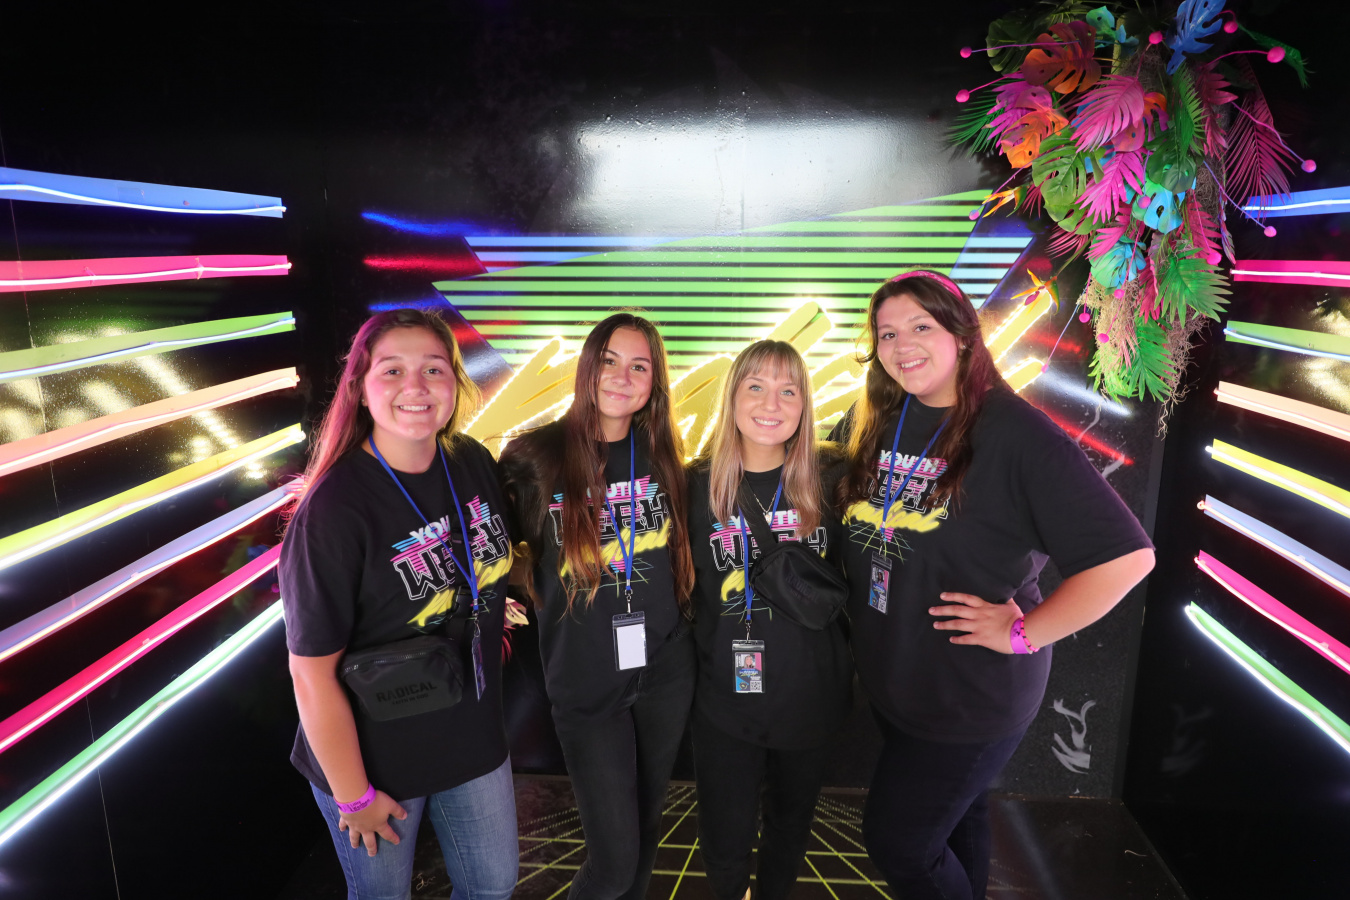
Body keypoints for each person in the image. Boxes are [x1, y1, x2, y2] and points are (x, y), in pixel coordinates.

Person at [831, 271, 1155, 900]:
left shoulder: (1015, 432)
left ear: (962, 335)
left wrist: (1024, 634)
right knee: (959, 820)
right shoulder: (883, 418)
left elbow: (1127, 559)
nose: (902, 345)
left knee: (900, 844)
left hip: (968, 693)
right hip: (898, 680)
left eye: (920, 326)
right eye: (887, 333)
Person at [280, 308, 518, 900]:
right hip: (374, 759)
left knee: (493, 888)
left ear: (455, 383)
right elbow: (310, 676)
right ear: (360, 388)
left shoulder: (471, 461)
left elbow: (490, 559)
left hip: (471, 734)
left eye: (433, 369)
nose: (416, 386)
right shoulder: (333, 511)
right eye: (392, 371)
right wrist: (353, 796)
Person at [498, 312, 696, 900]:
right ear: (588, 366)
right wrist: (509, 589)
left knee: (646, 831)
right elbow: (491, 546)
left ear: (654, 381)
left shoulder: (662, 453)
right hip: (585, 676)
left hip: (665, 666)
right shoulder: (535, 455)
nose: (622, 377)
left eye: (639, 366)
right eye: (609, 360)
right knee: (612, 864)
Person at [686, 340, 852, 900]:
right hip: (724, 702)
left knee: (789, 829)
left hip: (810, 694)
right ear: (732, 397)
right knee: (724, 840)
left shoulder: (833, 478)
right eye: (755, 386)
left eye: (788, 390)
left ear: (805, 404)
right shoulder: (694, 486)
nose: (771, 404)